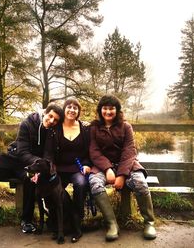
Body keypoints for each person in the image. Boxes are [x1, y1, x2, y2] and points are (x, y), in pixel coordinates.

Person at [0, 104, 64, 237]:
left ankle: (27, 220)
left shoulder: (53, 131)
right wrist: (37, 162)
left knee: (30, 178)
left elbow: (48, 155)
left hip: (30, 167)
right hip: (13, 159)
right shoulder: (27, 124)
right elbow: (22, 152)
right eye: (50, 116)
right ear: (45, 113)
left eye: (55, 120)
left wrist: (38, 169)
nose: (51, 121)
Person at [89, 94, 157, 241]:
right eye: (105, 108)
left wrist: (121, 175)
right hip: (102, 166)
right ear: (100, 110)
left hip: (126, 165)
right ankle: (112, 224)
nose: (108, 112)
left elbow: (129, 151)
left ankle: (149, 222)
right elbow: (94, 151)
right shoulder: (94, 127)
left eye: (111, 108)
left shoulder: (126, 127)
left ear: (117, 110)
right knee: (94, 183)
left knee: (140, 182)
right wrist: (107, 169)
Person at [44, 97, 91, 243]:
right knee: (52, 189)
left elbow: (90, 151)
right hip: (58, 170)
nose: (72, 110)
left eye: (75, 108)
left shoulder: (85, 129)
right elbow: (48, 153)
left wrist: (87, 164)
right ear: (64, 110)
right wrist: (50, 169)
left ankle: (77, 224)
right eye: (69, 107)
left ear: (78, 111)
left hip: (78, 168)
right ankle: (59, 224)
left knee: (81, 184)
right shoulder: (55, 129)